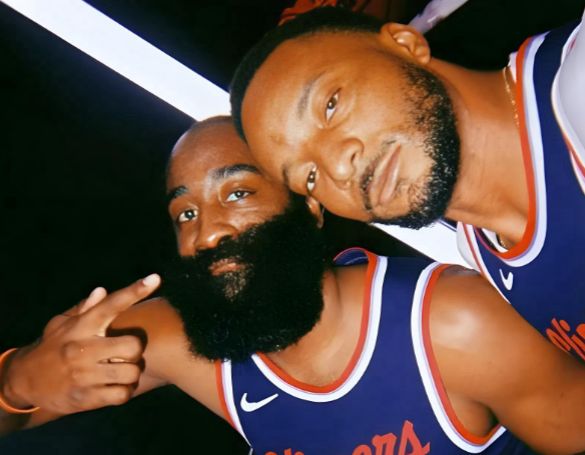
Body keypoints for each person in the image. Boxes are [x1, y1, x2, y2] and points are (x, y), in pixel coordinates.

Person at [3, 118, 585, 453]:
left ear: (308, 206)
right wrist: (19, 382)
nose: (207, 233)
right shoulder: (177, 338)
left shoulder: (451, 325)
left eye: (238, 193)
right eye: (186, 213)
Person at [230, 7, 585, 360]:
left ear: (405, 44)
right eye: (309, 177)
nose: (338, 167)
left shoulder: (576, 90)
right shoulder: (480, 250)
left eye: (331, 105)